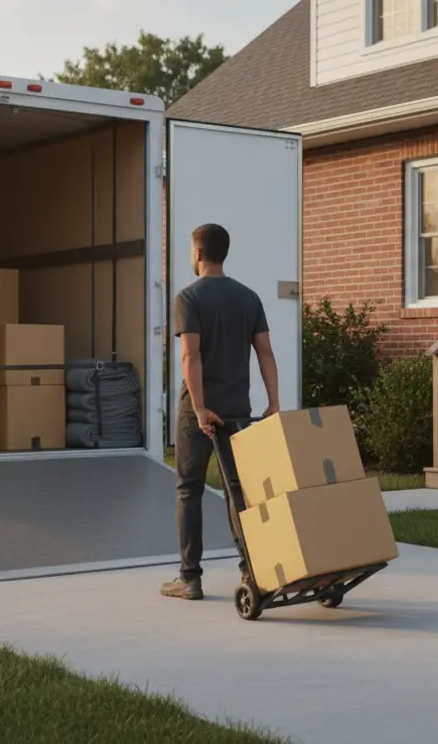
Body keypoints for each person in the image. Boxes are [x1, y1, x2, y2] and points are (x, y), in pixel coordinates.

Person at [162, 223, 279, 601]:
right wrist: (274, 402)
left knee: (189, 490)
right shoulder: (249, 298)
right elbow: (265, 353)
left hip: (198, 412)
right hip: (238, 411)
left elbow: (190, 355)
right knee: (238, 492)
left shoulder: (188, 298)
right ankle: (250, 570)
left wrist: (198, 408)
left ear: (196, 254)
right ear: (224, 253)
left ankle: (189, 578)